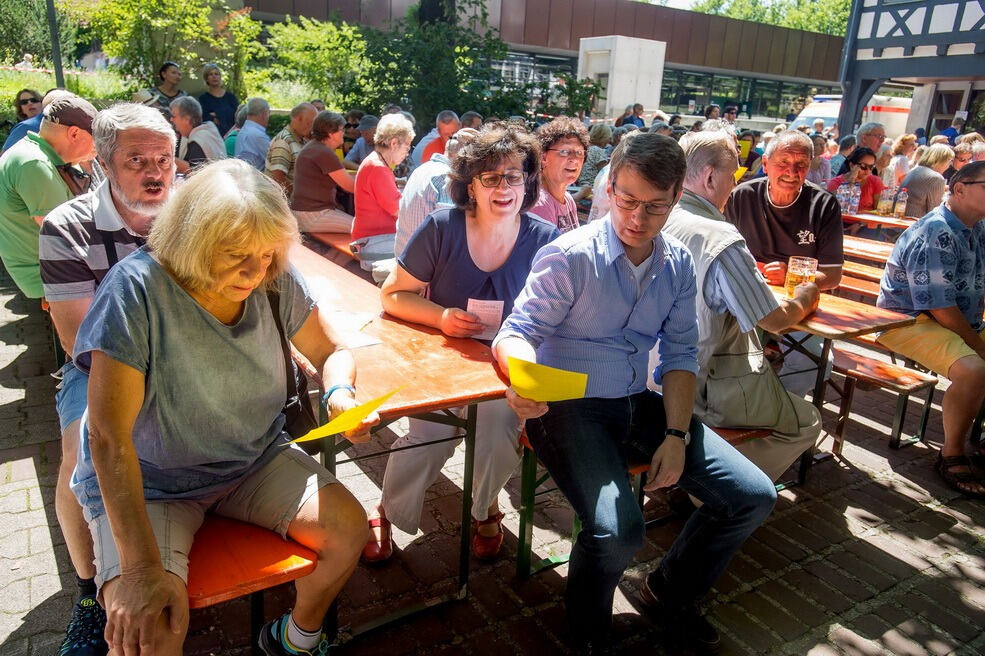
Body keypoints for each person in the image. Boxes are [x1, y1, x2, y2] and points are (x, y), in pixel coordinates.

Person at [70, 159, 375, 655]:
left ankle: (296, 641)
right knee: (152, 627)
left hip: (253, 459)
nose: (255, 272)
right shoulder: (137, 290)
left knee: (348, 529)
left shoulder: (272, 272)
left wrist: (340, 394)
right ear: (191, 240)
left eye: (268, 254)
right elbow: (108, 437)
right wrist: (143, 569)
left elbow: (330, 351)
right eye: (236, 255)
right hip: (154, 483)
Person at [493, 132, 776, 653]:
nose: (637, 218)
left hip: (637, 402)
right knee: (618, 531)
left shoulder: (676, 265)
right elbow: (516, 332)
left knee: (752, 496)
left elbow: (680, 356)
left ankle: (666, 592)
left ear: (676, 199)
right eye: (626, 200)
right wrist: (520, 377)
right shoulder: (571, 256)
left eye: (655, 206)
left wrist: (675, 432)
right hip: (567, 406)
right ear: (608, 188)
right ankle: (587, 631)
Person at [363, 124, 559, 563]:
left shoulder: (546, 241)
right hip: (444, 360)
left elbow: (561, 317)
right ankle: (387, 511)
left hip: (503, 365)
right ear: (471, 184)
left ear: (528, 181)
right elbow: (393, 295)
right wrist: (442, 317)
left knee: (498, 428)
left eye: (513, 175)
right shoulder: (442, 227)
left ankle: (486, 508)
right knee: (428, 435)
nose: (503, 187)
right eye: (490, 177)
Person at [38, 103, 177, 656]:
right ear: (103, 162)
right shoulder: (68, 227)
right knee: (79, 458)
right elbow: (79, 344)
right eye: (136, 159)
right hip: (99, 368)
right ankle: (89, 595)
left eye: (164, 159)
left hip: (183, 357)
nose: (154, 172)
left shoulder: (192, 212)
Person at [662, 130, 821, 485]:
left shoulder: (657, 215)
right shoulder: (719, 236)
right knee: (807, 419)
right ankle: (713, 489)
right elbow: (775, 320)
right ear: (709, 177)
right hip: (698, 385)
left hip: (648, 375)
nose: (735, 186)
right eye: (734, 176)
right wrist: (807, 297)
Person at [876, 162, 985, 497]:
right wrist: (979, 346)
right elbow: (939, 306)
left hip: (954, 320)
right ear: (960, 188)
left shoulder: (977, 227)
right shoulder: (936, 231)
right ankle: (951, 451)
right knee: (974, 369)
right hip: (907, 321)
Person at [726, 130, 843, 394]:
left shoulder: (823, 204)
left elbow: (834, 275)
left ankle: (777, 407)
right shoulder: (740, 197)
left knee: (817, 363)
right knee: (720, 350)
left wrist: (794, 275)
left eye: (801, 164)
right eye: (783, 163)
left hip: (798, 304)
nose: (792, 171)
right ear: (765, 165)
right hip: (746, 297)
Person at [0, 93, 97, 300]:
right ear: (73, 134)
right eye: (96, 140)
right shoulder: (35, 163)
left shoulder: (38, 152)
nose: (98, 149)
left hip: (55, 267)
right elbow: (66, 236)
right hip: (48, 276)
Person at [394, 127, 477, 256]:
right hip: (421, 267)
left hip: (403, 256)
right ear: (467, 159)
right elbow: (451, 238)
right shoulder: (447, 178)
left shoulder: (422, 169)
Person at [351, 113, 414, 277]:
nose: (407, 152)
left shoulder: (375, 162)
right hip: (372, 242)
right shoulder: (378, 168)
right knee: (423, 257)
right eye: (407, 147)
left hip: (370, 238)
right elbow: (400, 211)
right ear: (394, 143)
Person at [290, 111, 357, 233]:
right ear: (330, 133)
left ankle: (332, 253)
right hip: (313, 214)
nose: (344, 132)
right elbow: (351, 186)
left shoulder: (315, 147)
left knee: (358, 230)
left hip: (307, 212)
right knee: (364, 230)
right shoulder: (324, 152)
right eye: (341, 129)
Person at [528, 117, 588, 233]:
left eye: (579, 152)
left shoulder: (568, 199)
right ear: (543, 157)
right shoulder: (539, 204)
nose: (574, 159)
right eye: (564, 152)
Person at [265, 102, 317, 196]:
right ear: (300, 119)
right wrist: (303, 196)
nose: (313, 128)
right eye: (310, 123)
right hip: (287, 203)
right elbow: (278, 178)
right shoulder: (284, 141)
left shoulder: (300, 139)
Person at [169, 96, 226, 173]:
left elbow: (194, 172)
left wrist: (165, 157)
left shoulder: (200, 140)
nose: (171, 119)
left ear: (187, 119)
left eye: (174, 116)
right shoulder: (207, 130)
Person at [897, 144, 954, 218]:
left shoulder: (916, 170)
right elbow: (936, 212)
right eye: (949, 161)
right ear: (941, 160)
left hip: (899, 220)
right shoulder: (936, 178)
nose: (949, 165)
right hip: (913, 224)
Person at [828, 147, 884, 213]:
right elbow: (836, 208)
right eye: (863, 166)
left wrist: (862, 222)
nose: (868, 171)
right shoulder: (836, 182)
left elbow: (879, 211)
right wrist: (851, 180)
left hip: (866, 221)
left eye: (871, 167)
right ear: (851, 165)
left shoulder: (875, 181)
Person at [198, 63, 239, 137]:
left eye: (216, 74)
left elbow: (237, 116)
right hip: (213, 136)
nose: (214, 76)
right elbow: (205, 119)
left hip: (231, 135)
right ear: (206, 79)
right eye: (211, 74)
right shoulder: (203, 99)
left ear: (220, 77)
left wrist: (217, 114)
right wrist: (224, 113)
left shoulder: (231, 97)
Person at [234, 97, 272, 171]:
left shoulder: (244, 130)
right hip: (254, 180)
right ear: (264, 114)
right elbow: (274, 162)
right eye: (269, 113)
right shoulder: (258, 135)